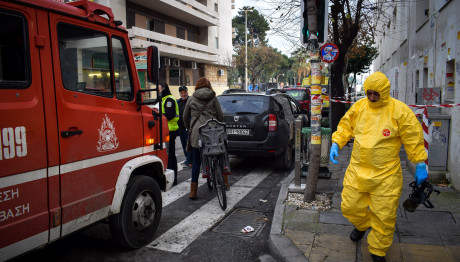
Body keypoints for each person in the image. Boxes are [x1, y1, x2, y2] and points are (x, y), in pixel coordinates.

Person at [329, 72, 428, 262]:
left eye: (376, 94)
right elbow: (345, 126)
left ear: (384, 92)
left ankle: (377, 250)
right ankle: (363, 224)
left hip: (386, 175)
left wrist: (420, 163)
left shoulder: (399, 111)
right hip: (358, 170)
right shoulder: (359, 107)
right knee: (349, 206)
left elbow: (413, 137)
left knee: (384, 215)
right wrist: (336, 143)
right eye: (369, 93)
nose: (372, 97)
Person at [183, 77, 226, 199]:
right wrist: (218, 126)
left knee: (196, 162)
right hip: (213, 132)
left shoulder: (191, 99)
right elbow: (220, 115)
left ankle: (193, 192)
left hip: (197, 133)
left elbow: (185, 117)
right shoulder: (213, 98)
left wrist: (189, 128)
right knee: (219, 155)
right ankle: (225, 182)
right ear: (209, 86)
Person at [159, 83, 179, 186]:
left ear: (164, 88)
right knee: (168, 154)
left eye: (159, 88)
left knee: (170, 155)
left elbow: (170, 115)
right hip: (166, 130)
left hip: (170, 130)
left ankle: (174, 179)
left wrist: (158, 115)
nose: (158, 91)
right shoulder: (164, 99)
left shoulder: (169, 100)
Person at [177, 86, 193, 168]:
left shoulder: (191, 100)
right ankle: (188, 159)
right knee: (184, 144)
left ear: (187, 92)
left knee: (189, 144)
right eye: (182, 93)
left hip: (189, 127)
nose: (183, 94)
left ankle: (189, 161)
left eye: (185, 92)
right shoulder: (178, 102)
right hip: (181, 127)